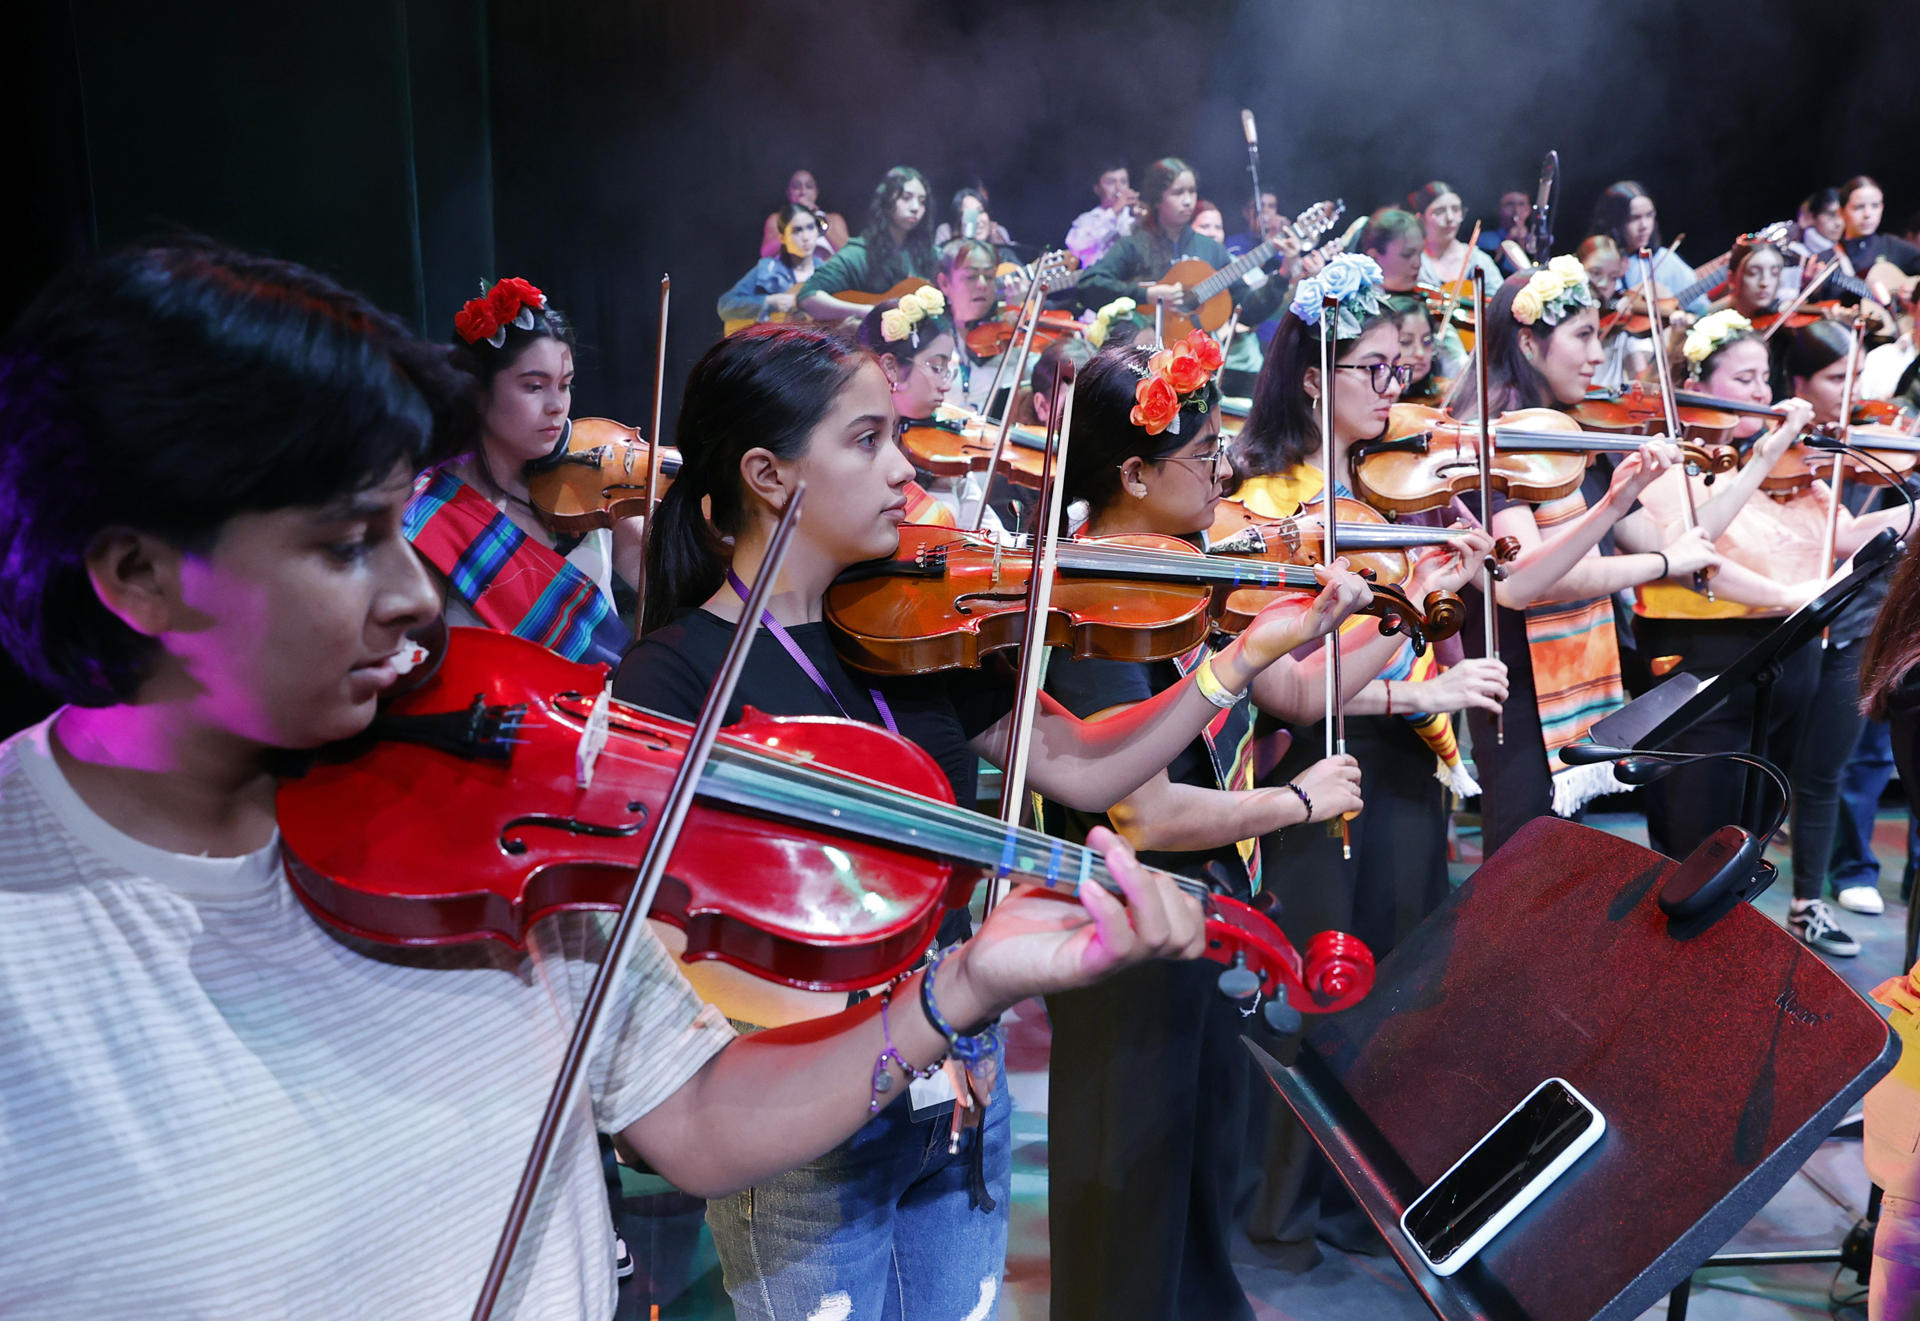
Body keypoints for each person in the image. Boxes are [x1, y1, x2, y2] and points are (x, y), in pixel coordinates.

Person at [0, 240, 1210, 1321]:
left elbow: (693, 1117)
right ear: (138, 576)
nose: (417, 596)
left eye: (401, 528)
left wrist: (965, 982)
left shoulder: (499, 805)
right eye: (346, 543)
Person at [611, 321, 1345, 1321]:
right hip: (802, 1106)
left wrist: (1240, 660)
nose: (903, 468)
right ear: (769, 476)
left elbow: (1086, 765)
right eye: (866, 440)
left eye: (894, 435)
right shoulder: (672, 677)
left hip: (960, 1069)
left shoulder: (911, 637)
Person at [1038, 333, 1392, 1320]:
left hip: (1207, 918)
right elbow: (1143, 810)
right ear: (1133, 474)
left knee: (1196, 1194)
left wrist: (1396, 613)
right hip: (1128, 941)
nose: (1225, 473)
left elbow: (1292, 691)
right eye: (1202, 457)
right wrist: (1295, 802)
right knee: (1130, 1209)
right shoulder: (1092, 607)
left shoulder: (1187, 574)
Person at [1229, 255, 1506, 1260]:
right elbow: (1296, 681)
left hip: (1402, 768)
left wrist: (1445, 590)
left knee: (1397, 989)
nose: (1398, 388)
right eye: (1376, 370)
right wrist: (1416, 636)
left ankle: (1366, 1204)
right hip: (1316, 765)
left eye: (1403, 370)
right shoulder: (1269, 507)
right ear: (1315, 379)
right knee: (1317, 985)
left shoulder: (1385, 499)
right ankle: (1282, 1210)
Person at [1448, 258, 1720, 855]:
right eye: (1583, 336)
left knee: (1560, 855)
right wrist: (1663, 565)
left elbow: (1671, 540)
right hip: (1516, 676)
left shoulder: (1576, 434)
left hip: (1578, 667)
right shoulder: (1491, 441)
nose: (1599, 356)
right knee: (1520, 855)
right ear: (1528, 343)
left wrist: (1750, 462)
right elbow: (1531, 578)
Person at [407, 277, 636, 668]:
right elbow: (416, 664)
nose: (557, 406)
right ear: (477, 392)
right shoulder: (432, 516)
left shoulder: (589, 479)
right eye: (534, 387)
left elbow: (669, 583)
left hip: (612, 700)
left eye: (565, 385)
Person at [1076, 157, 1281, 327]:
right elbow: (1089, 284)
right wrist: (1145, 295)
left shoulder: (1211, 249)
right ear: (1158, 198)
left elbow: (1245, 311)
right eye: (1178, 192)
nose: (1188, 200)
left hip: (1197, 359)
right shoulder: (1135, 245)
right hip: (1142, 354)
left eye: (1192, 191)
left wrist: (1283, 276)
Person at [796, 167, 937, 322]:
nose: (916, 207)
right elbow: (807, 296)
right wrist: (864, 311)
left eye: (922, 201)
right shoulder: (859, 254)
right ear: (886, 200)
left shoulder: (930, 254)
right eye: (906, 197)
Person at [1588, 181, 1709, 316]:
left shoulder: (1665, 259)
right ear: (1614, 222)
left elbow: (1701, 308)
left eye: (1649, 215)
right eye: (1634, 218)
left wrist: (1681, 318)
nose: (1644, 226)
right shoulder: (1600, 262)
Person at [719, 203, 819, 333]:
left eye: (810, 227)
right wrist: (768, 302)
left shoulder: (828, 272)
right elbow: (725, 305)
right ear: (783, 238)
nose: (806, 237)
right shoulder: (768, 269)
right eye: (797, 230)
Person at [1408, 180, 1501, 294]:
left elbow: (1500, 300)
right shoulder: (1411, 260)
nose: (1450, 218)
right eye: (1439, 211)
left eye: (1456, 209)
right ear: (1420, 218)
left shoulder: (1479, 261)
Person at [758, 168, 849, 259]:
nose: (803, 191)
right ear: (788, 192)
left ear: (816, 192)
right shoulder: (777, 219)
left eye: (809, 187)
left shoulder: (833, 219)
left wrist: (817, 220)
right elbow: (766, 253)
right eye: (796, 187)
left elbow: (849, 253)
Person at [1064, 159, 1138, 268]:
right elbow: (1075, 245)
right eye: (1111, 182)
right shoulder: (1087, 219)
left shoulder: (1135, 216)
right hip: (1099, 277)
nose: (1118, 188)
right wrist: (1113, 212)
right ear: (1097, 189)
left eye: (1123, 182)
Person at [1480, 188, 1533, 274]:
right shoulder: (1486, 238)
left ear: (1529, 209)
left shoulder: (1538, 240)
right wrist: (1509, 239)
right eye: (1510, 204)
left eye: (1521, 204)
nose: (1516, 210)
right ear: (1498, 209)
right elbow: (1486, 267)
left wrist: (1522, 241)